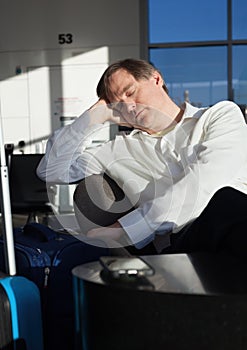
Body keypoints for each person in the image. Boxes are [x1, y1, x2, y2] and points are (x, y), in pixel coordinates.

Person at [37, 58, 247, 257]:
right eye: (117, 105)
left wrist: (126, 229)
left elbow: (207, 183)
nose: (128, 106)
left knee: (228, 201)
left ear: (156, 79)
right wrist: (93, 116)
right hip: (182, 244)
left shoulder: (220, 116)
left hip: (230, 223)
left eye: (130, 92)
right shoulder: (116, 150)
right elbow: (51, 170)